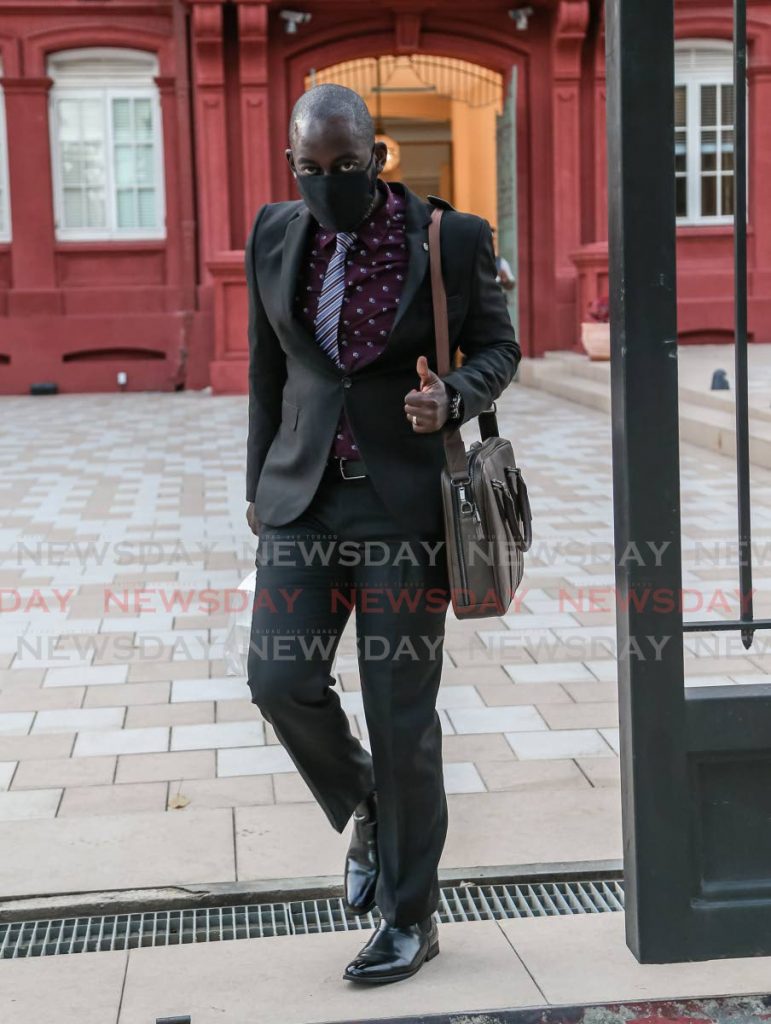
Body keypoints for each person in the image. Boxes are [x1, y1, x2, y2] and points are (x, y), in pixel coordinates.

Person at [244, 83, 520, 985]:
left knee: (401, 716)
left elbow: (498, 349)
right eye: (311, 169)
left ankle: (411, 915)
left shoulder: (452, 238)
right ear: (293, 165)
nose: (328, 182)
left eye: (346, 167)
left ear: (379, 155)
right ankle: (368, 799)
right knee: (278, 678)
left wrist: (453, 396)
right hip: (304, 501)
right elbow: (268, 373)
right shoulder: (275, 234)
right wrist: (258, 488)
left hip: (403, 509)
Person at [491, 226, 517, 292]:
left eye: (494, 239)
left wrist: (505, 280)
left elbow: (512, 283)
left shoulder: (500, 262)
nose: (493, 244)